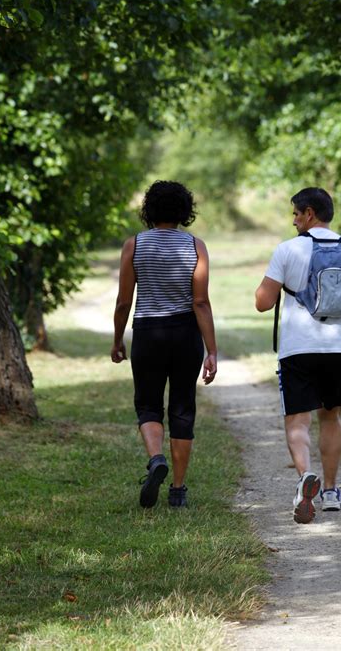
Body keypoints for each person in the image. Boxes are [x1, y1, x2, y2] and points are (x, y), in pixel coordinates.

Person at [255, 187, 341, 524]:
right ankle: (329, 491)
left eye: (296, 214)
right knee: (331, 416)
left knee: (297, 419)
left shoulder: (287, 250)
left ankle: (303, 479)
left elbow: (262, 302)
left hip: (298, 347)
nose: (294, 221)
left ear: (309, 213)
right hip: (339, 348)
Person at [111, 180, 217, 509]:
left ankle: (156, 458)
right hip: (185, 334)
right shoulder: (196, 246)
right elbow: (201, 302)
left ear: (149, 209)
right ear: (185, 211)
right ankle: (178, 491)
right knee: (183, 408)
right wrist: (211, 350)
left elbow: (124, 302)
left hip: (148, 333)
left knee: (148, 405)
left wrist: (118, 339)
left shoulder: (135, 245)